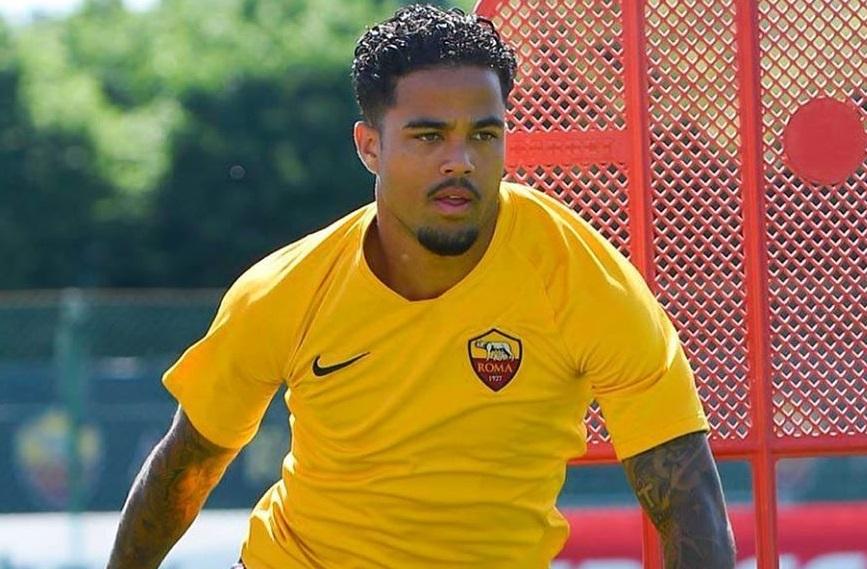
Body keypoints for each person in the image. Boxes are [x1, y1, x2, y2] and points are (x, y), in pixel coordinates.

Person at [107, 5, 736, 568]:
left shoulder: (582, 277)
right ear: (369, 146)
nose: (460, 160)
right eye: (429, 135)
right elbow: (186, 466)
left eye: (483, 135)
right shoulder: (285, 290)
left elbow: (688, 498)